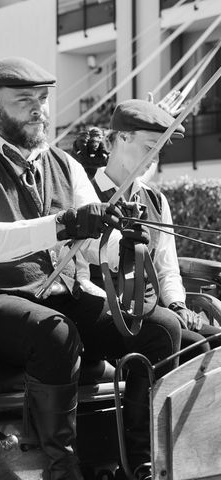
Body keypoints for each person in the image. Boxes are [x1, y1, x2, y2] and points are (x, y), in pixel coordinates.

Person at [0, 57, 181, 480]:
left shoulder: (65, 166)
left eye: (44, 99)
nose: (39, 109)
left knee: (162, 330)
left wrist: (122, 239)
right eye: (25, 100)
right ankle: (61, 467)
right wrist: (62, 224)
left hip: (63, 296)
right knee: (56, 333)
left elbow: (89, 244)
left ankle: (140, 462)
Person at [76, 99, 221, 364]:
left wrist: (177, 303)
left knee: (214, 342)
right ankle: (149, 407)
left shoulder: (156, 200)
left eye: (158, 151)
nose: (153, 158)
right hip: (104, 314)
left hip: (149, 308)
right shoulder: (86, 196)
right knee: (191, 345)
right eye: (149, 148)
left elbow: (166, 267)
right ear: (121, 138)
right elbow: (81, 272)